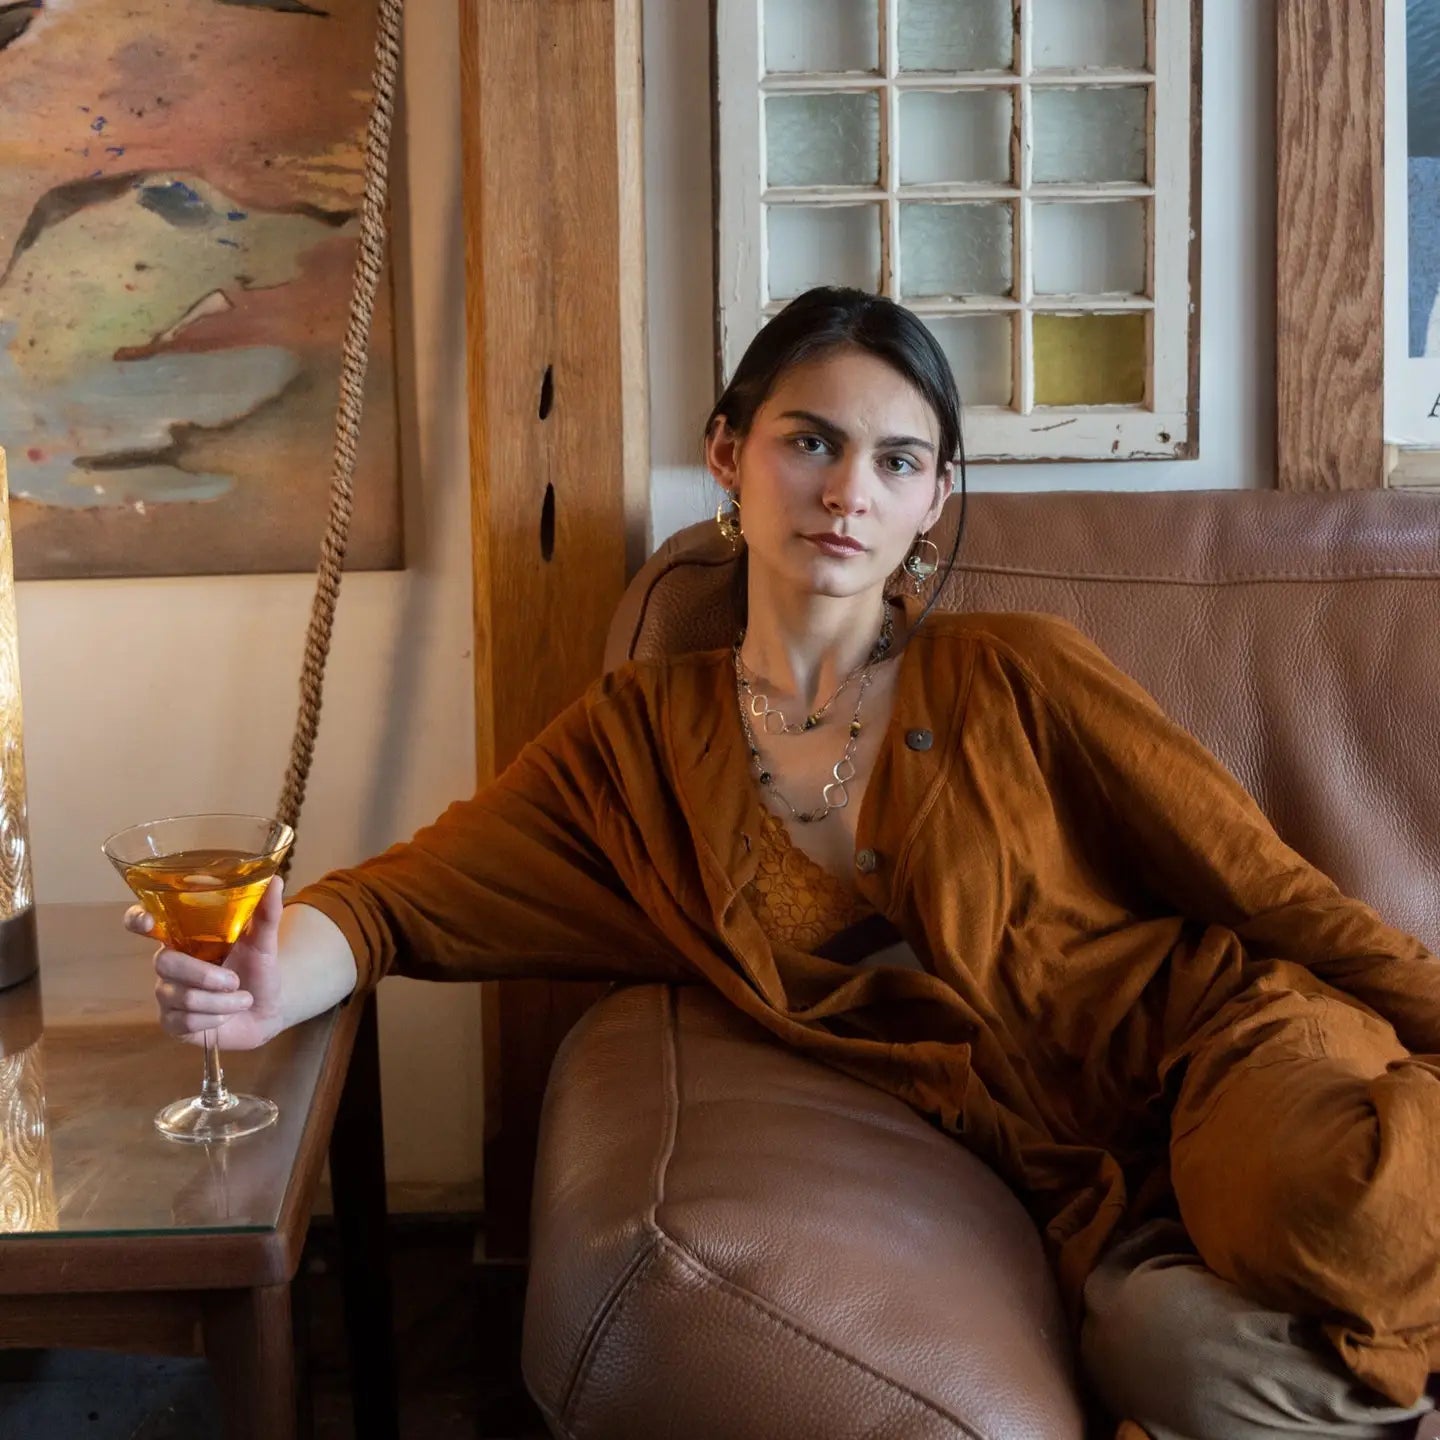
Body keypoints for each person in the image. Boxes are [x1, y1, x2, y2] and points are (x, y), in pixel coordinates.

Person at [129, 288, 1440, 1440]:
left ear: (932, 499)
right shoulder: (639, 744)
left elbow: (1270, 892)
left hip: (1232, 1051)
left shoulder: (1016, 672)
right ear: (729, 453)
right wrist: (261, 983)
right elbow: (397, 905)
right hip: (1091, 1184)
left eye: (896, 459)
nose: (847, 490)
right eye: (810, 440)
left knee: (1339, 1218)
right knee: (1176, 1355)